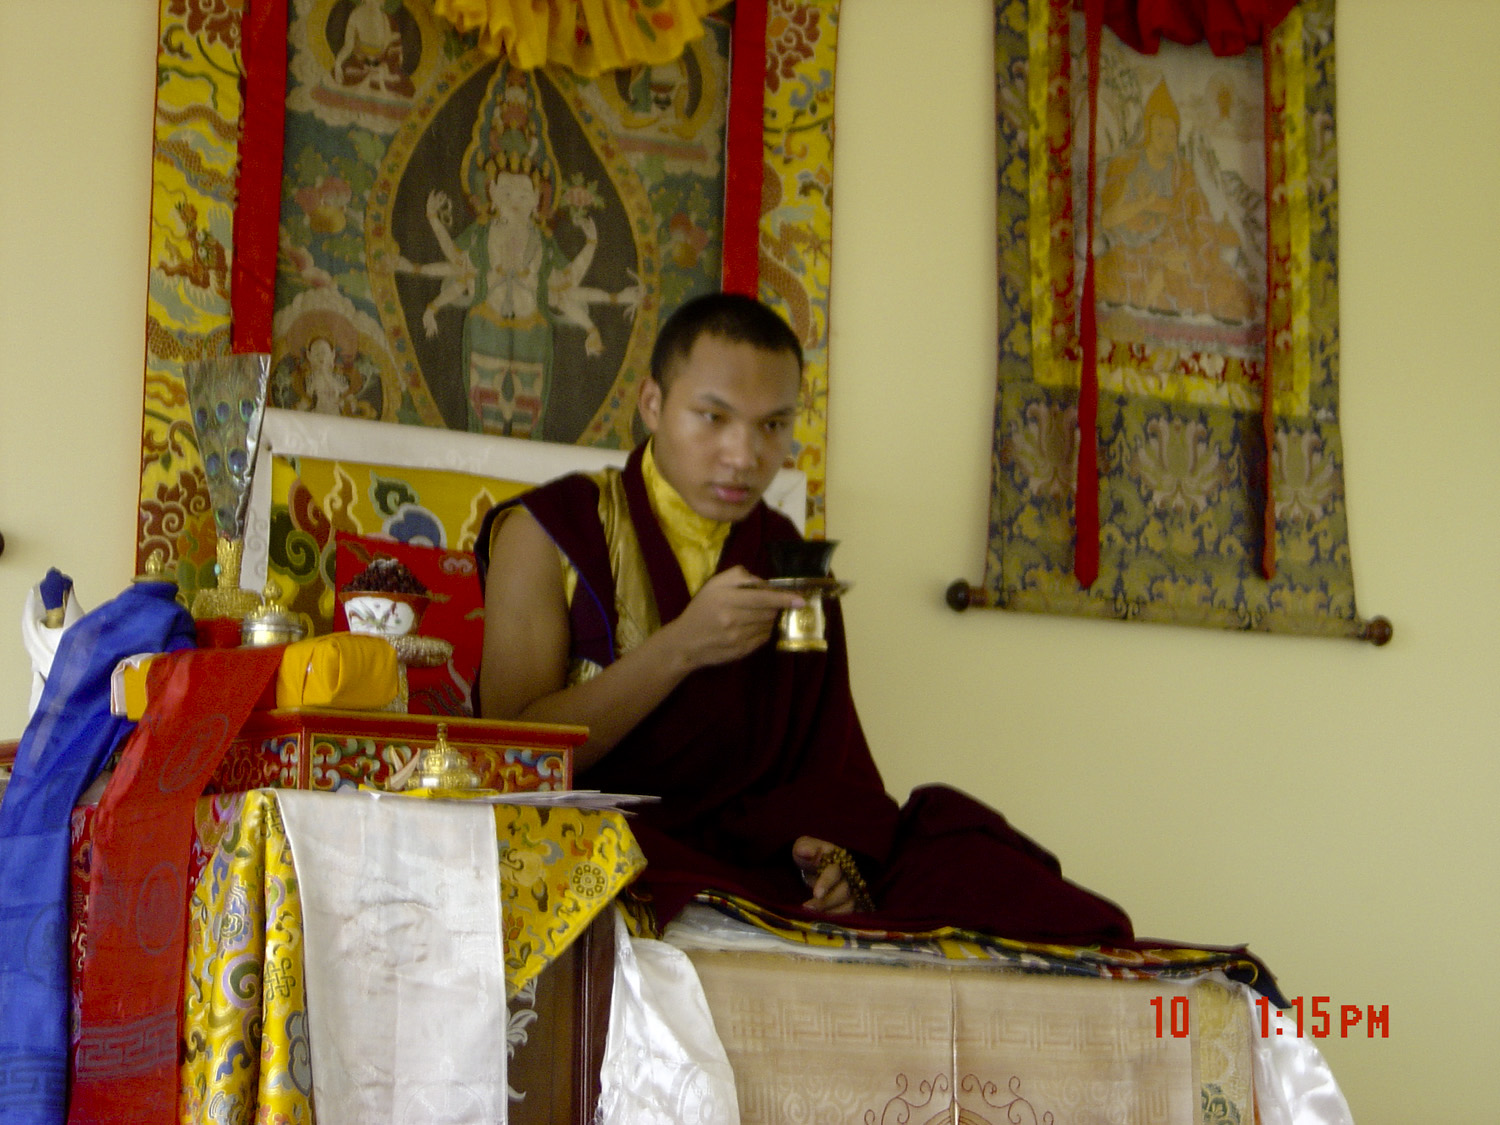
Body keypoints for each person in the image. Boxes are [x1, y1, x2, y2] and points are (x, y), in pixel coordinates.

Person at [476, 292, 1133, 943]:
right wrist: (680, 647)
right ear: (652, 403)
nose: (744, 455)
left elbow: (827, 770)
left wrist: (832, 854)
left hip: (755, 857)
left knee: (993, 873)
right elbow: (505, 763)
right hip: (614, 843)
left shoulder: (786, 556)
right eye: (713, 417)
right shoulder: (550, 534)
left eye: (772, 425)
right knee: (587, 859)